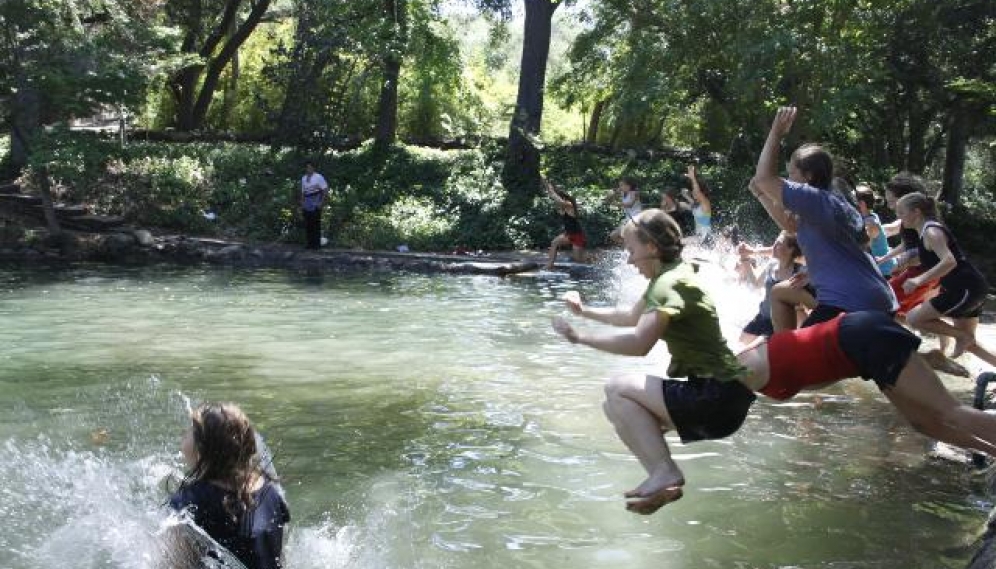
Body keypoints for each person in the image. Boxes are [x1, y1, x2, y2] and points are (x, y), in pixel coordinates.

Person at [551, 209, 756, 515]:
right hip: (724, 400)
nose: (629, 260)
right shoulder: (672, 274)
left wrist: (580, 337)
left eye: (632, 251)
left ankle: (665, 472)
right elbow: (631, 318)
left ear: (651, 248)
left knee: (617, 387)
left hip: (715, 398)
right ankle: (663, 478)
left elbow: (639, 343)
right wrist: (585, 311)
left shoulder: (667, 285)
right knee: (616, 408)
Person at [735, 311, 996, 456]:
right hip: (860, 348)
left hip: (863, 338)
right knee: (923, 424)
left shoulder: (741, 369)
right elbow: (826, 370)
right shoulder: (747, 367)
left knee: (948, 411)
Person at [749, 107, 896, 330]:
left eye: (792, 174)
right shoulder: (832, 202)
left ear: (808, 177)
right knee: (780, 292)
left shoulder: (816, 199)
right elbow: (790, 225)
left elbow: (764, 177)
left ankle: (786, 354)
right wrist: (761, 194)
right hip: (874, 296)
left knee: (802, 358)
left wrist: (776, 133)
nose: (788, 180)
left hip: (852, 304)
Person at [170, 403, 291, 569]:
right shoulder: (270, 494)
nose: (183, 434)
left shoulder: (189, 501)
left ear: (205, 448)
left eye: (191, 430)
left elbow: (176, 563)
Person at [895, 193, 996, 365]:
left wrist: (918, 280)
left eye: (901, 212)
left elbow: (949, 261)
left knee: (914, 318)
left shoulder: (931, 231)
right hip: (970, 287)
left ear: (916, 212)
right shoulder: (926, 232)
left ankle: (962, 337)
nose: (899, 217)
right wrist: (908, 261)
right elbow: (933, 256)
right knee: (968, 344)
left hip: (964, 288)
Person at [736, 231, 812, 345]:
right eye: (775, 242)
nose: (774, 246)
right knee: (740, 343)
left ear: (790, 249)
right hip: (762, 317)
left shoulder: (800, 273)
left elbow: (808, 302)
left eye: (779, 243)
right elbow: (756, 283)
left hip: (778, 324)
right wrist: (745, 258)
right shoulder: (771, 265)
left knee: (749, 353)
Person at [543, 177, 587, 269]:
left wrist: (551, 189)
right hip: (568, 234)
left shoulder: (568, 205)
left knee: (579, 259)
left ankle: (596, 259)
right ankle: (550, 265)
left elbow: (557, 199)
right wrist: (547, 185)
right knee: (554, 242)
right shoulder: (562, 206)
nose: (556, 202)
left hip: (577, 235)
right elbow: (554, 197)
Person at [854, 184, 896, 277]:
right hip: (878, 270)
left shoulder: (870, 225)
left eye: (852, 201)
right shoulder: (870, 217)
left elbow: (862, 249)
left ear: (862, 204)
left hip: (883, 272)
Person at [300, 162, 328, 250]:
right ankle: (309, 244)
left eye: (310, 167)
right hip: (307, 202)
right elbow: (303, 192)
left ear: (313, 168)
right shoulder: (303, 178)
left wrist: (321, 203)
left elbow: (325, 190)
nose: (308, 169)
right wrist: (302, 202)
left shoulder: (319, 177)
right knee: (308, 224)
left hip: (316, 200)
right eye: (307, 167)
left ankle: (316, 245)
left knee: (316, 223)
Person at [607, 176, 643, 244]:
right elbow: (608, 199)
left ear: (628, 186)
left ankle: (631, 249)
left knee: (619, 235)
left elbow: (630, 204)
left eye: (621, 185)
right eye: (619, 185)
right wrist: (612, 193)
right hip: (628, 219)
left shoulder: (634, 192)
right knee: (613, 235)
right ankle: (629, 249)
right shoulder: (623, 193)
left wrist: (618, 204)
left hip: (636, 218)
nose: (620, 187)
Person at [684, 164, 713, 242]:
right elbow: (690, 205)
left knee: (679, 243)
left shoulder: (705, 202)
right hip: (700, 237)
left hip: (706, 238)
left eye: (693, 189)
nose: (693, 191)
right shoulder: (697, 204)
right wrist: (685, 195)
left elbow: (697, 192)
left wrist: (693, 178)